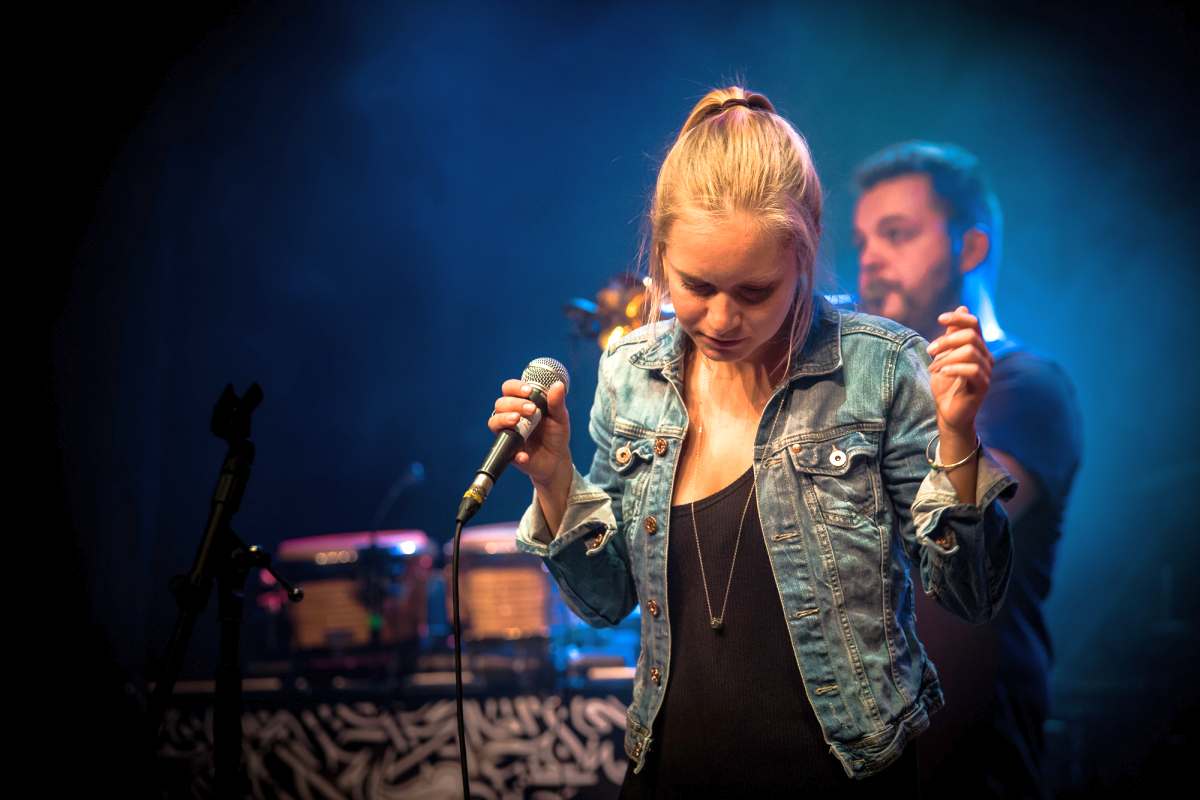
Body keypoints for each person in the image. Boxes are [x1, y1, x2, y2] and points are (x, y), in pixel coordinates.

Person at [488, 89, 1015, 796]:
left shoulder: (882, 369)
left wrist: (958, 437)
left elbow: (971, 593)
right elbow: (606, 600)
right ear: (661, 253)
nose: (721, 318)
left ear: (806, 252)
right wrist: (554, 481)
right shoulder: (630, 375)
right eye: (696, 286)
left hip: (843, 775)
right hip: (671, 772)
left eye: (755, 291)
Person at [853, 141, 1082, 799]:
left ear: (970, 247)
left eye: (897, 234)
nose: (869, 258)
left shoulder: (1029, 388)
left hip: (971, 762)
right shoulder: (874, 396)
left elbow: (951, 526)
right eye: (863, 240)